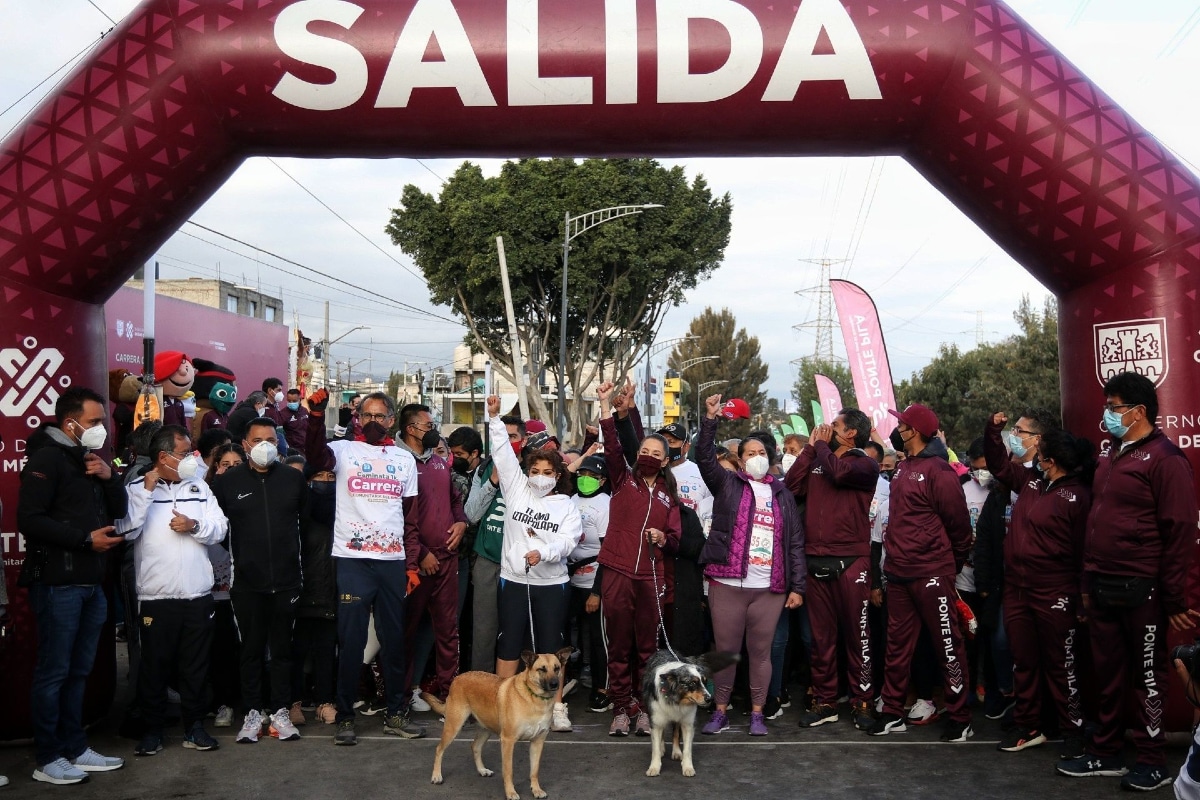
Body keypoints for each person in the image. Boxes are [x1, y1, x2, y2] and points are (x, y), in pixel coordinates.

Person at [1058, 372, 1199, 790]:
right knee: (1107, 672)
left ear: (1138, 411)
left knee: (1148, 677)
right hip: (1101, 584)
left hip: (1144, 590)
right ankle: (1105, 753)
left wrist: (1174, 597)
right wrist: (1086, 584)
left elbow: (1179, 532)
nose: (1107, 414)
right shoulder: (1110, 456)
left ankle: (1152, 761)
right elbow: (1096, 521)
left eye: (1114, 406)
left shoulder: (1167, 460)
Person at [18, 386, 128, 785]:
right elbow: (29, 519)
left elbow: (118, 509)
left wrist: (109, 475)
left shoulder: (90, 460)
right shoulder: (46, 458)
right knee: (54, 672)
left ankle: (75, 747)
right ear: (71, 423)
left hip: (91, 583)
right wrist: (85, 541)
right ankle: (48, 758)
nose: (101, 429)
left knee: (79, 670)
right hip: (58, 584)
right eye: (95, 422)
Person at [303, 389, 425, 745]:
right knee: (352, 641)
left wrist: (411, 565)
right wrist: (315, 416)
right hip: (353, 559)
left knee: (394, 641)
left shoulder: (404, 461)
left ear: (391, 420)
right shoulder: (342, 451)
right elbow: (314, 457)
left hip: (391, 561)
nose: (372, 422)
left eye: (379, 416)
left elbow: (410, 519)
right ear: (358, 419)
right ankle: (345, 717)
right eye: (366, 416)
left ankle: (396, 714)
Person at [696, 394, 804, 737]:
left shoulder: (783, 495)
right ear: (739, 461)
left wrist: (797, 587)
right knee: (726, 652)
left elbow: (796, 544)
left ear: (769, 458)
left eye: (761, 454)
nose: (756, 459)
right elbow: (703, 458)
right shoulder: (727, 484)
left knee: (761, 654)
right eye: (749, 454)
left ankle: (758, 713)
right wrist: (710, 420)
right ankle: (721, 711)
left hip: (768, 588)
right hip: (727, 583)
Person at [983, 416, 1092, 755]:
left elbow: (1084, 552)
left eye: (1041, 453)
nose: (1036, 457)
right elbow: (999, 464)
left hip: (1055, 591)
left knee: (1063, 664)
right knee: (1024, 661)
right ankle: (1029, 726)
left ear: (1052, 459)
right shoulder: (1029, 480)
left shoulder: (1078, 497)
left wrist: (1080, 597)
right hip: (1018, 589)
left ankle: (1073, 732)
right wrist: (992, 430)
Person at [120, 425, 229, 756]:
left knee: (195, 667)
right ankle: (152, 730)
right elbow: (125, 531)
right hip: (156, 596)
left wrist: (194, 526)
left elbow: (220, 527)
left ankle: (194, 728)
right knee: (154, 668)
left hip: (197, 595)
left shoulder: (200, 487)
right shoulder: (138, 488)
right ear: (163, 457)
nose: (191, 458)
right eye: (184, 453)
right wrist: (144, 494)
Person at [869, 403, 974, 743]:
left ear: (913, 431)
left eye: (902, 424)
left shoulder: (939, 471)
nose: (897, 427)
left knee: (947, 644)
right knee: (897, 647)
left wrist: (947, 567)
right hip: (899, 573)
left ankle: (961, 717)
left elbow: (960, 527)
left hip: (932, 573)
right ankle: (892, 713)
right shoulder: (902, 467)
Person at [484, 395, 581, 731]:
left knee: (551, 647)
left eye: (548, 472)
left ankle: (556, 709)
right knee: (509, 642)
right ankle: (502, 703)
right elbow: (502, 455)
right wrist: (494, 420)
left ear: (558, 475)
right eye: (535, 471)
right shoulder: (516, 490)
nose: (541, 477)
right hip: (513, 580)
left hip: (551, 584)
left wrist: (546, 552)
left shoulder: (566, 505)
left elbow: (569, 541)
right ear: (527, 473)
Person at [211, 417, 308, 744]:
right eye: (257, 439)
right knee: (250, 650)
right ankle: (253, 712)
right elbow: (217, 530)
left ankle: (280, 711)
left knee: (282, 650)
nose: (265, 444)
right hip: (246, 584)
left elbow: (306, 527)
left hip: (287, 582)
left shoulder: (293, 480)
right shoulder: (228, 483)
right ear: (246, 443)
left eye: (271, 438)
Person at [594, 382, 681, 737]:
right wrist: (605, 405)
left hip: (650, 578)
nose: (647, 455)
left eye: (654, 453)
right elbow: (616, 444)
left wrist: (663, 538)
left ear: (665, 461)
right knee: (618, 646)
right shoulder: (622, 479)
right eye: (643, 450)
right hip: (616, 572)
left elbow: (677, 539)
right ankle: (620, 708)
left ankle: (644, 709)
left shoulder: (668, 494)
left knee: (647, 649)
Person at [785, 408, 878, 731]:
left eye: (834, 425)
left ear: (851, 432)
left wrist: (822, 447)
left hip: (852, 561)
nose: (826, 428)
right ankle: (825, 701)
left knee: (858, 636)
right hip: (815, 560)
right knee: (822, 640)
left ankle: (863, 701)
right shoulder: (817, 459)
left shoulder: (865, 463)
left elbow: (838, 473)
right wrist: (811, 448)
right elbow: (791, 486)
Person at [396, 404, 468, 709]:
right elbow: (393, 516)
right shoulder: (396, 462)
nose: (434, 430)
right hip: (415, 565)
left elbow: (454, 499)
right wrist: (421, 554)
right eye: (429, 425)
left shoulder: (439, 462)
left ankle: (449, 693)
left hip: (447, 559)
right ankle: (402, 694)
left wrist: (461, 522)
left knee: (447, 630)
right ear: (411, 429)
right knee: (406, 631)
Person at [464, 415, 526, 672]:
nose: (508, 442)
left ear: (524, 439)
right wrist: (493, 481)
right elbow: (470, 514)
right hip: (488, 560)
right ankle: (481, 689)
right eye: (503, 436)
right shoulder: (484, 468)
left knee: (518, 629)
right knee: (484, 630)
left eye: (513, 437)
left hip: (522, 563)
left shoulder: (534, 468)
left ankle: (518, 691)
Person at [205, 443, 246, 730]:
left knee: (249, 647)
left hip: (247, 585)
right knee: (220, 648)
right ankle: (225, 703)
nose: (230, 469)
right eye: (224, 464)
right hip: (215, 588)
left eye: (236, 464)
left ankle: (251, 702)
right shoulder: (204, 498)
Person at [567, 453, 612, 713]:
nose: (585, 479)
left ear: (602, 480)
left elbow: (607, 553)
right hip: (568, 578)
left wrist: (597, 592)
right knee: (570, 635)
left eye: (592, 476)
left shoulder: (606, 504)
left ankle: (602, 688)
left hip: (595, 578)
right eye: (581, 475)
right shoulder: (569, 501)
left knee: (598, 640)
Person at [275, 389, 309, 456]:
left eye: (294, 401)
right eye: (289, 401)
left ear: (300, 399)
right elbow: (279, 433)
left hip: (307, 448)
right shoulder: (283, 414)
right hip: (293, 450)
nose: (291, 403)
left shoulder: (304, 411)